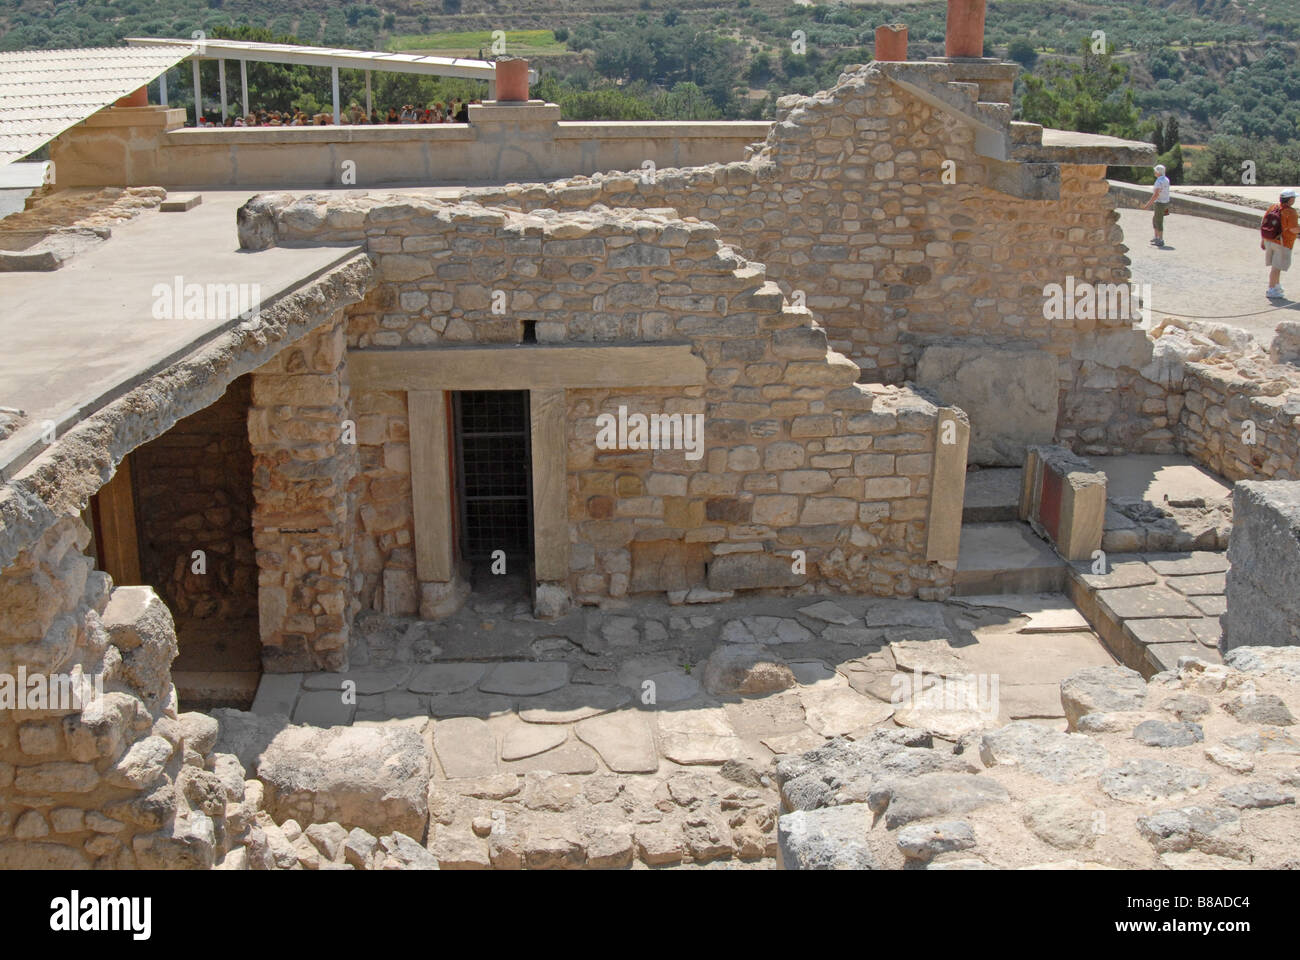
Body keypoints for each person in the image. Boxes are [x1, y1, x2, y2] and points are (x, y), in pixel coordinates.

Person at [1262, 188, 1299, 300]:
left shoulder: (1273, 207)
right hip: (1282, 243)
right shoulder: (1291, 212)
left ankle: (1276, 286)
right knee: (1276, 267)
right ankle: (1271, 289)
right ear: (1290, 200)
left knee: (1275, 266)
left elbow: (1264, 222)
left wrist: (1263, 240)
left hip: (1270, 240)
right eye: (1294, 198)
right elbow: (1293, 229)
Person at [1142, 163, 1172, 248]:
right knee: (1156, 219)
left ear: (1159, 172)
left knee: (1158, 220)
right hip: (1166, 202)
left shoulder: (1159, 181)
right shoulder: (1166, 179)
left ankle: (1160, 239)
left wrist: (1147, 205)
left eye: (1155, 171)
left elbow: (1156, 195)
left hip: (1160, 203)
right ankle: (1156, 237)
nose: (1154, 172)